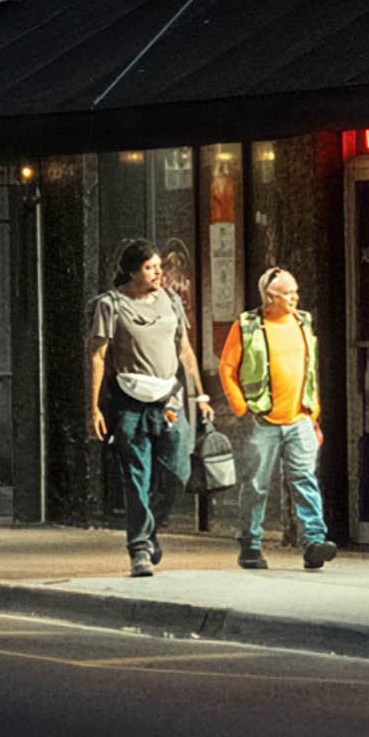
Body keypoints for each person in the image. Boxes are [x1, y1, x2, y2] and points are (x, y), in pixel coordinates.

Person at [88, 241, 208, 577]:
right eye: (149, 267)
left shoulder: (171, 300)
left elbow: (185, 350)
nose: (158, 272)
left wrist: (201, 395)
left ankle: (150, 529)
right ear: (131, 271)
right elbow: (97, 357)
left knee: (177, 474)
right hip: (129, 402)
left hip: (168, 399)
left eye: (158, 266)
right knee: (136, 478)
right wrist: (94, 407)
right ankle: (139, 549)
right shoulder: (111, 305)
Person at [219, 265, 336, 570]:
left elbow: (310, 373)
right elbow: (227, 368)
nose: (295, 298)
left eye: (296, 293)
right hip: (263, 421)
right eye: (288, 294)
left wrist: (313, 415)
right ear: (270, 297)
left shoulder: (303, 322)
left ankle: (313, 541)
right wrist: (241, 408)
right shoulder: (246, 326)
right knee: (256, 485)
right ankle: (250, 544)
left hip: (300, 419)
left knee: (304, 480)